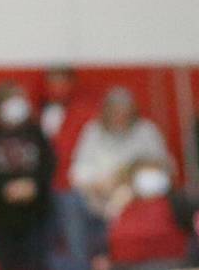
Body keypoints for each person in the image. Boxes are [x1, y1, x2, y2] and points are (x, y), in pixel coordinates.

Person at [62, 88, 170, 270]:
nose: (120, 117)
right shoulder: (93, 131)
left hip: (134, 198)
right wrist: (98, 183)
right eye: (115, 112)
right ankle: (82, 265)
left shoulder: (146, 131)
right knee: (70, 202)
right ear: (106, 112)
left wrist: (130, 182)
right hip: (98, 196)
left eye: (124, 112)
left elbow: (163, 168)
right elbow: (77, 172)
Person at [0, 82, 56, 270]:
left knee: (36, 262)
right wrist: (5, 188)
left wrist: (32, 185)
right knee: (8, 263)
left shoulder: (36, 132)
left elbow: (49, 164)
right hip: (0, 213)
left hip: (35, 212)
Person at [103, 159, 191, 270]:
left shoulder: (175, 201)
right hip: (125, 264)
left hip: (167, 262)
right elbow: (109, 232)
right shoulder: (124, 202)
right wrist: (117, 203)